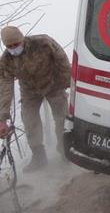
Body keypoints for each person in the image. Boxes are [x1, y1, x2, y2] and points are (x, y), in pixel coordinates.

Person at [0, 26, 70, 172]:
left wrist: (66, 81)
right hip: (30, 91)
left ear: (22, 39)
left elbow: (61, 58)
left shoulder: (43, 42)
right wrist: (2, 117)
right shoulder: (6, 60)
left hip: (54, 84)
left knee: (62, 117)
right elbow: (5, 87)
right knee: (29, 121)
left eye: (16, 44)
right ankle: (38, 156)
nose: (13, 48)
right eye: (9, 46)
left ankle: (64, 150)